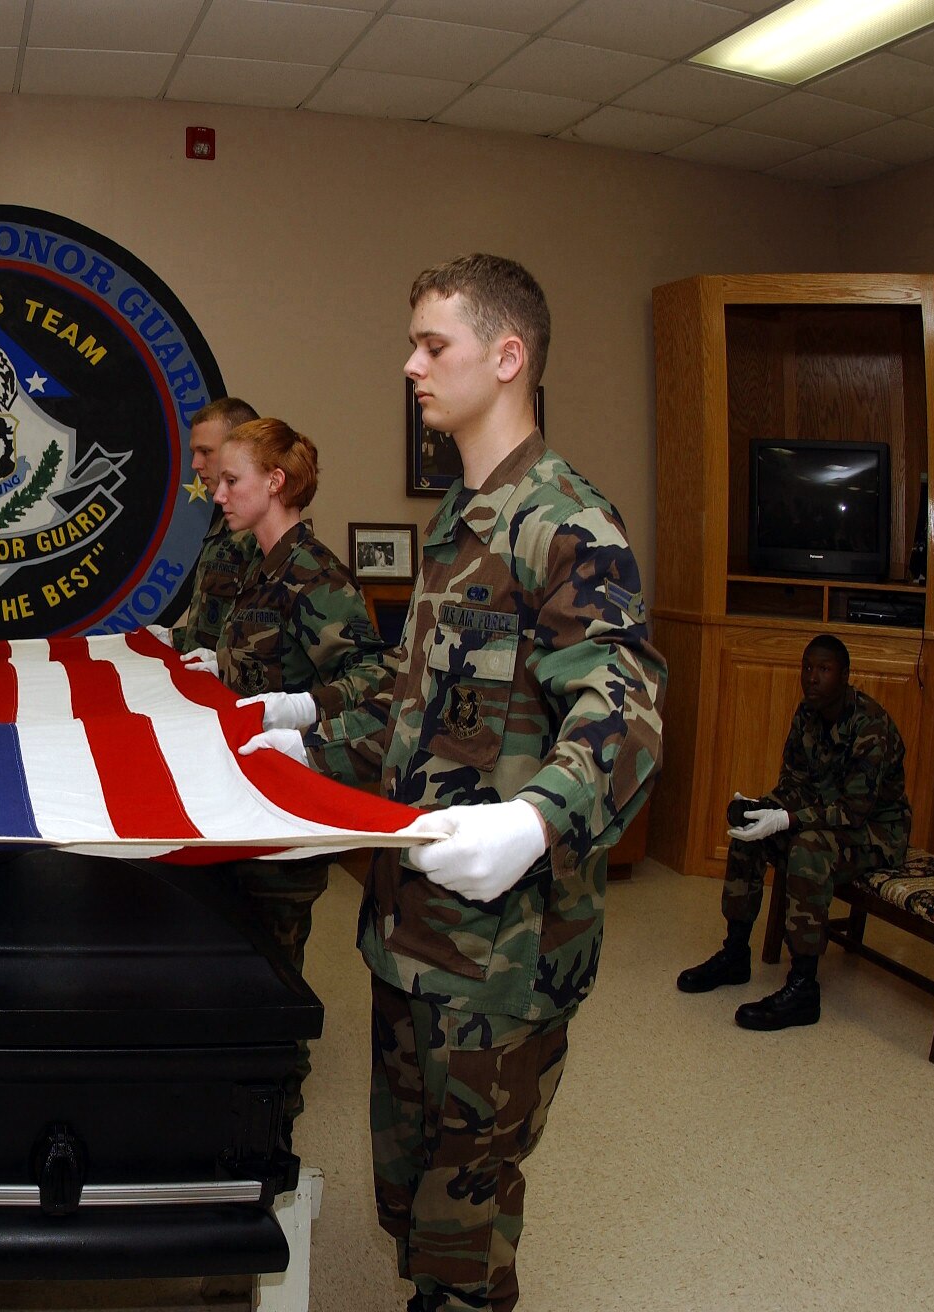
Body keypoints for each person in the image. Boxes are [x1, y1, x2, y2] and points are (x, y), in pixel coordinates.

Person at [249, 255, 665, 1312]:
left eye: (432, 345)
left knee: (464, 1230)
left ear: (506, 354)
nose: (410, 365)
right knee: (411, 1199)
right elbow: (418, 708)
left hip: (501, 955)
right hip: (409, 927)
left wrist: (535, 821)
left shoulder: (563, 519)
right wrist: (313, 735)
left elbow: (626, 706)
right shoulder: (457, 517)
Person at [187, 416, 389, 1146]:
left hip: (286, 805)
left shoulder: (315, 575)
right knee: (233, 958)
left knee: (273, 968)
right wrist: (225, 668)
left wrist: (304, 713)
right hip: (244, 794)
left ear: (275, 483)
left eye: (233, 482)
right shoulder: (258, 563)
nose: (220, 496)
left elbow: (375, 679)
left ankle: (269, 1117)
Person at [678, 634, 909, 1031]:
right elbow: (795, 784)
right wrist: (763, 806)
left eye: (824, 669)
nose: (812, 678)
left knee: (807, 849)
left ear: (845, 675)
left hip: (875, 832)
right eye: (807, 668)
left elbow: (854, 811)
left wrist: (787, 819)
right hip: (825, 817)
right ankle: (735, 953)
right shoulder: (807, 714)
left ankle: (803, 986)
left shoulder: (871, 726)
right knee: (747, 834)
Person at [168, 396, 261, 655]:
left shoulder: (265, 535)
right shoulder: (225, 524)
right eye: (194, 453)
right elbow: (217, 627)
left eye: (206, 452)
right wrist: (171, 638)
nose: (195, 464)